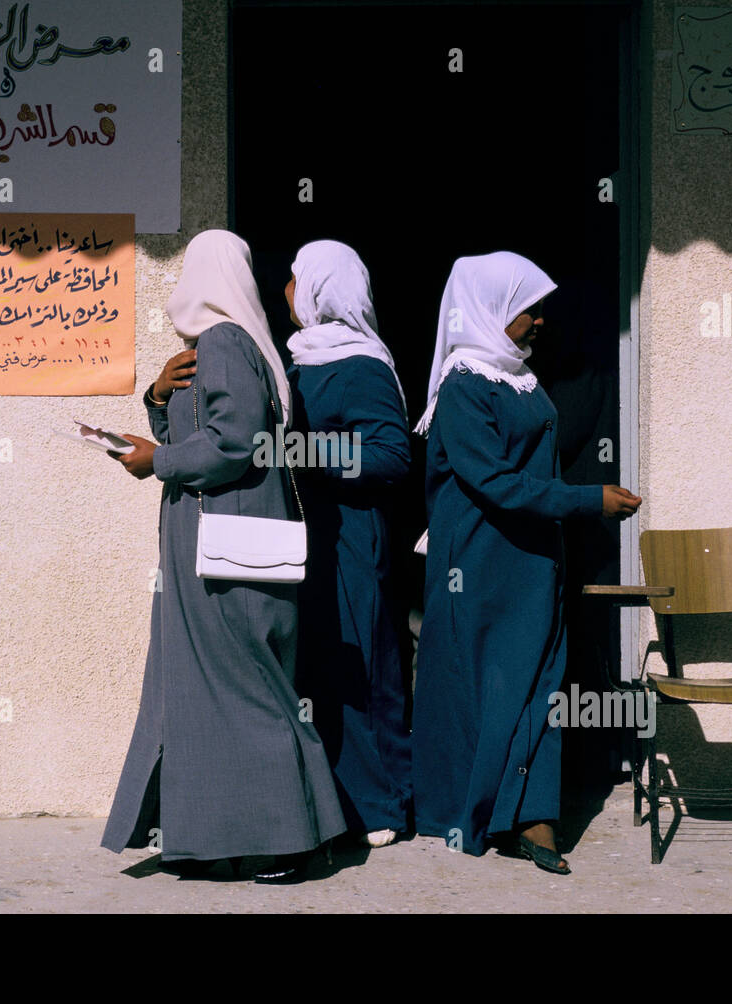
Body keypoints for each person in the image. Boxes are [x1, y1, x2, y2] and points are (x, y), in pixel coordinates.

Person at [99, 229, 346, 883]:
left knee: (247, 688)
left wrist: (159, 462)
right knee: (210, 693)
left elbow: (234, 444)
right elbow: (201, 431)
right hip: (207, 540)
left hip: (223, 546)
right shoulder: (219, 348)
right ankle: (229, 835)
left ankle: (298, 837)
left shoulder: (226, 343)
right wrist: (156, 400)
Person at [411, 252, 641, 874]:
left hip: (534, 555)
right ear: (489, 310)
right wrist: (587, 500)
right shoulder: (463, 386)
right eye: (527, 309)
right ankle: (483, 811)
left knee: (541, 680)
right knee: (491, 686)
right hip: (482, 562)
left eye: (540, 309)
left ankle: (536, 815)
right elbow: (496, 482)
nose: (540, 321)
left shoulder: (520, 377)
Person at [282, 240, 413, 848]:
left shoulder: (362, 364)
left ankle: (381, 802)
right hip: (308, 532)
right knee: (319, 664)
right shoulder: (295, 358)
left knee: (364, 664)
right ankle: (331, 799)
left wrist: (311, 457)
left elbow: (391, 456)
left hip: (354, 536)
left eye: (294, 279)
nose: (284, 290)